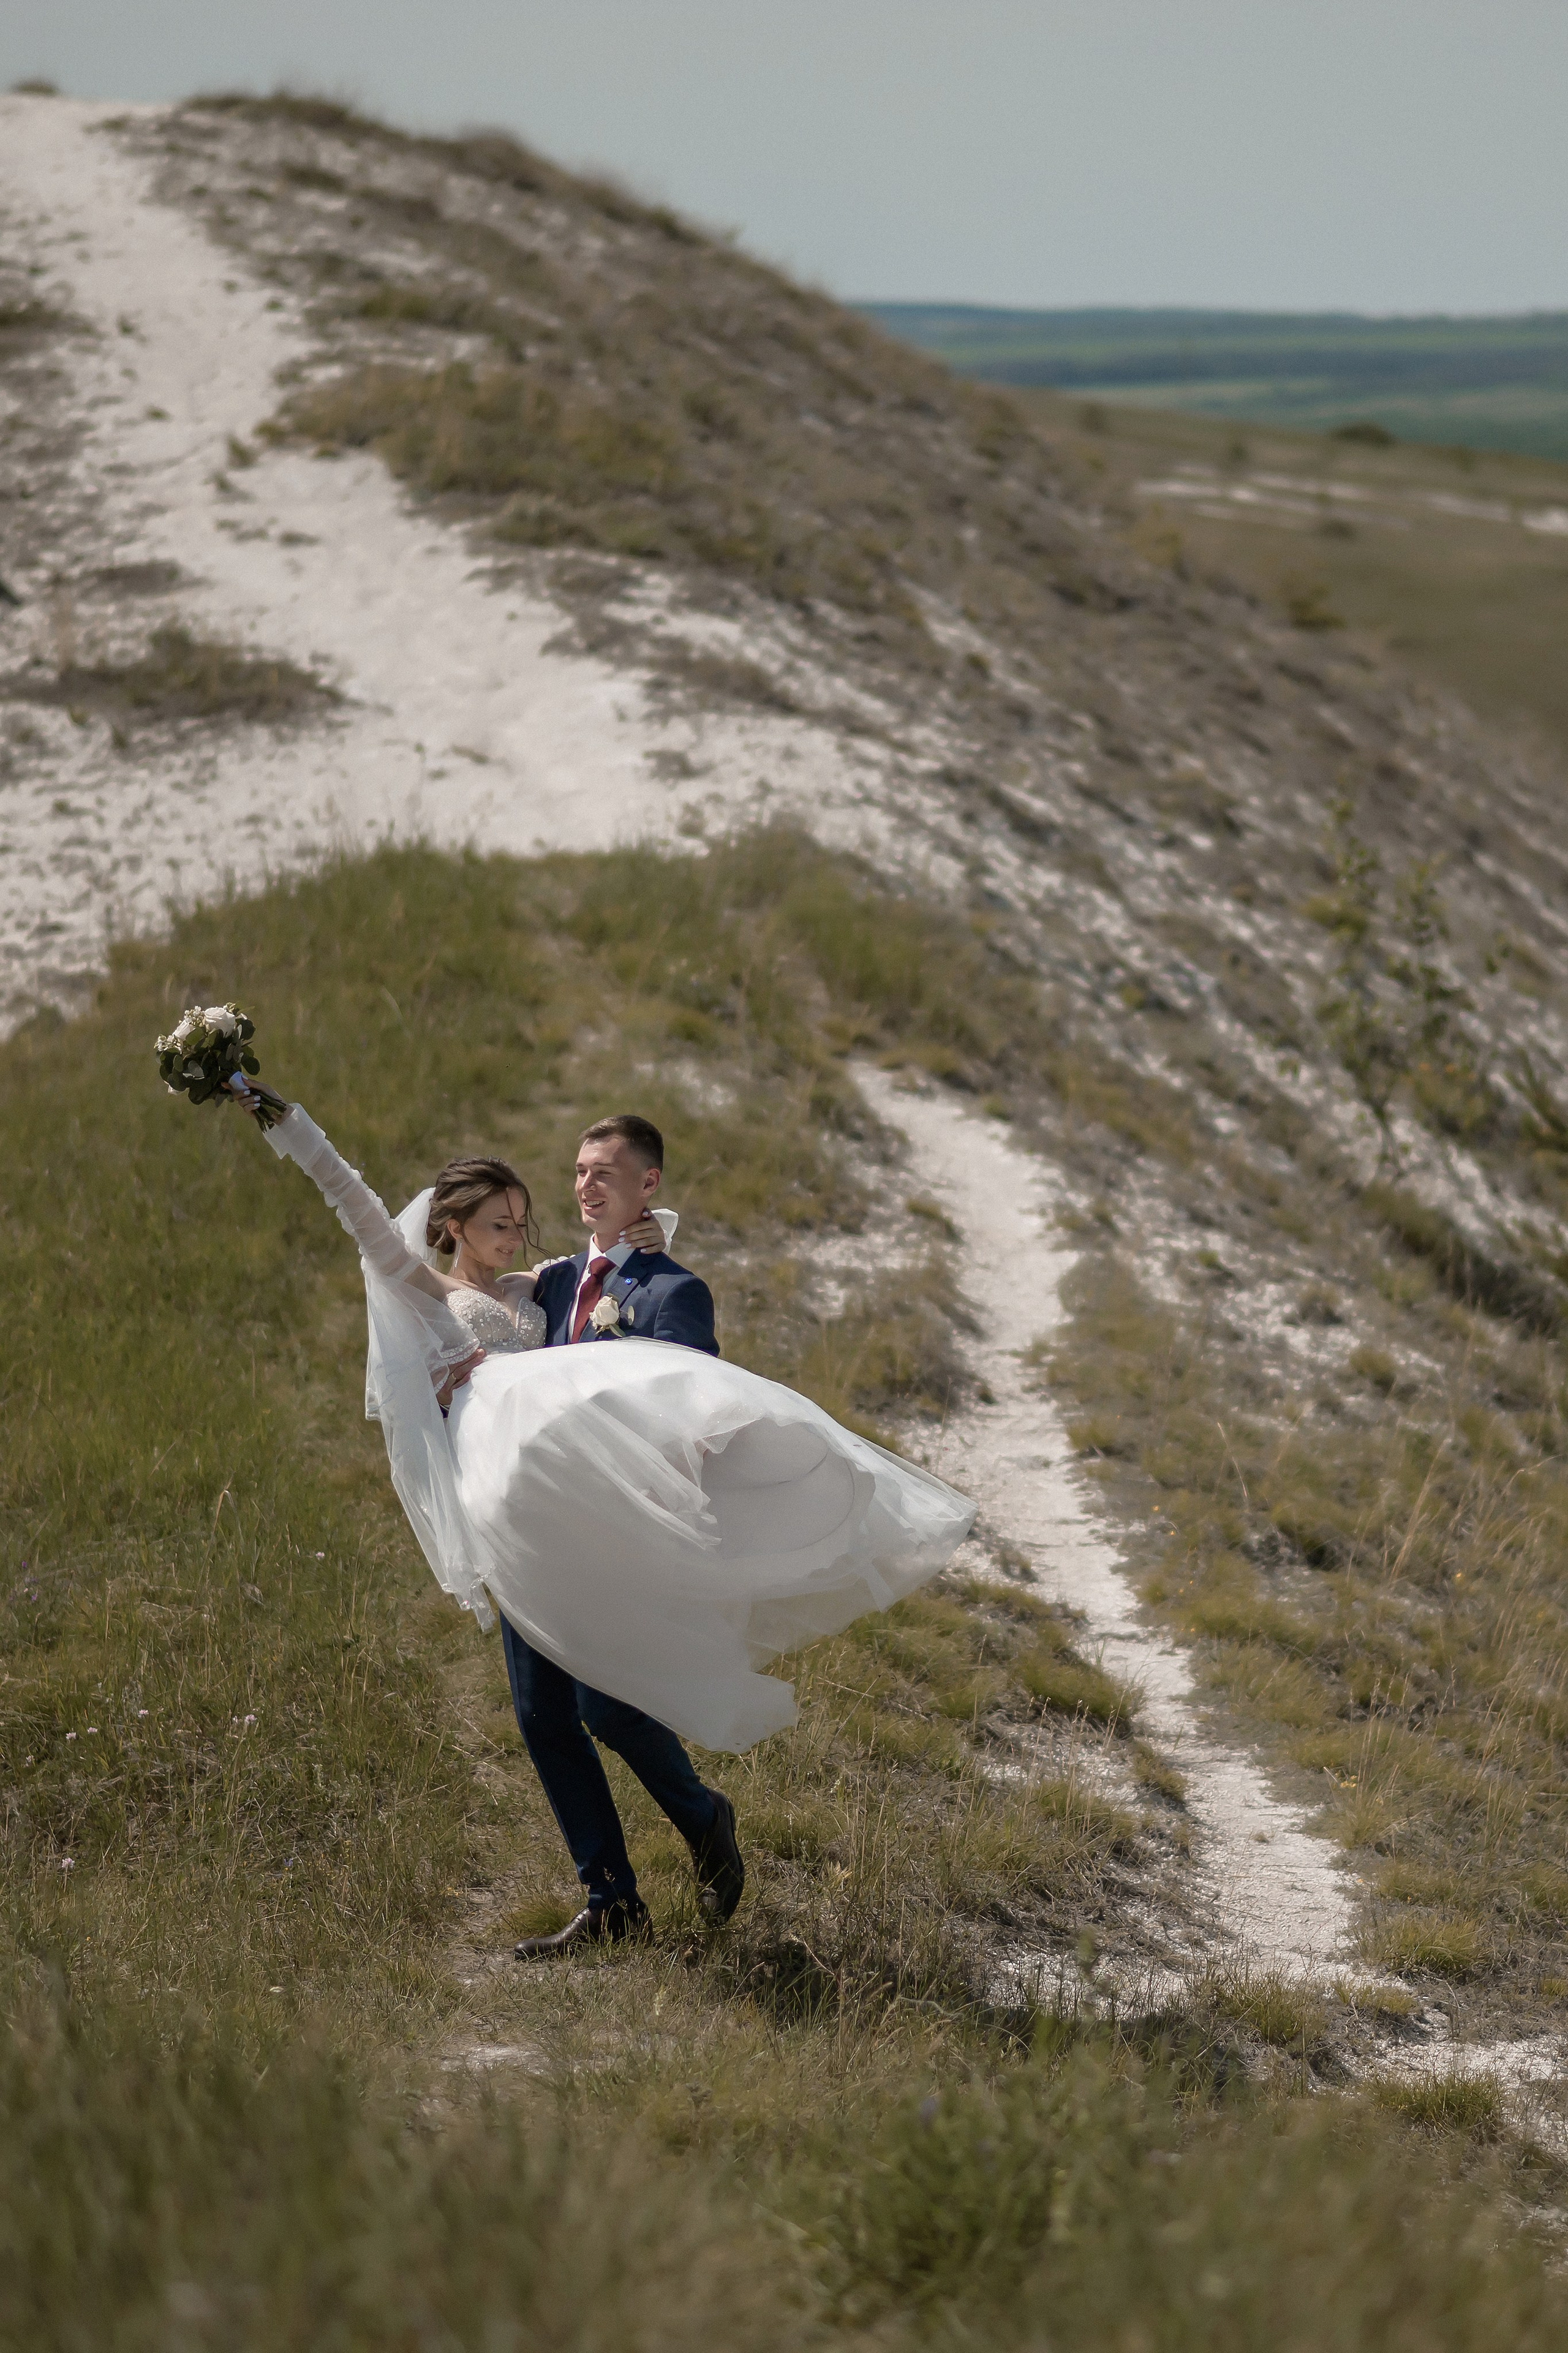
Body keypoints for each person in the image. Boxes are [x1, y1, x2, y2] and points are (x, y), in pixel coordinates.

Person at [232, 1081, 976, 1959]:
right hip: (518, 1518)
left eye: (599, 1176)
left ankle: (703, 1817)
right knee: (543, 1714)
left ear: (646, 1183)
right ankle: (612, 1899)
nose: (548, 1211)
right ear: (455, 1225)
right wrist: (289, 1125)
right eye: (569, 1178)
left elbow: (684, 1388)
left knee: (605, 1704)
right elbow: (366, 1212)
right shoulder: (531, 1282)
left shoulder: (596, 1285)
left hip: (606, 1524)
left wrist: (661, 1240)